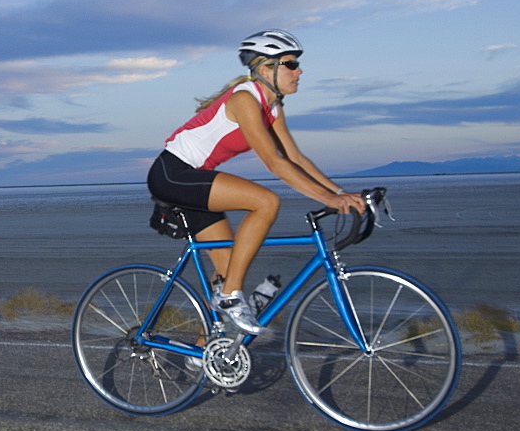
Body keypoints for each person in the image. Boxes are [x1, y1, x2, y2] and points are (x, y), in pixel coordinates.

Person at [146, 29, 366, 335]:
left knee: (228, 269)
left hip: (194, 180)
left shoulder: (272, 108)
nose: (298, 71)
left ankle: (203, 350)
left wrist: (341, 194)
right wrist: (328, 201)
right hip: (173, 174)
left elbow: (295, 158)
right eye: (290, 64)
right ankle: (228, 298)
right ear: (265, 69)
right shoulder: (245, 99)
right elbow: (274, 163)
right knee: (266, 202)